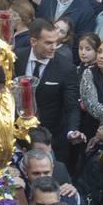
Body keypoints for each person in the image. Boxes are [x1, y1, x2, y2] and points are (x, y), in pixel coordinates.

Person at [16, 19, 81, 166]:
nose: (54, 47)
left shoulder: (65, 67)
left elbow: (71, 106)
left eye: (56, 42)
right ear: (33, 41)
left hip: (50, 138)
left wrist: (72, 131)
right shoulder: (17, 58)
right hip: (17, 136)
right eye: (48, 43)